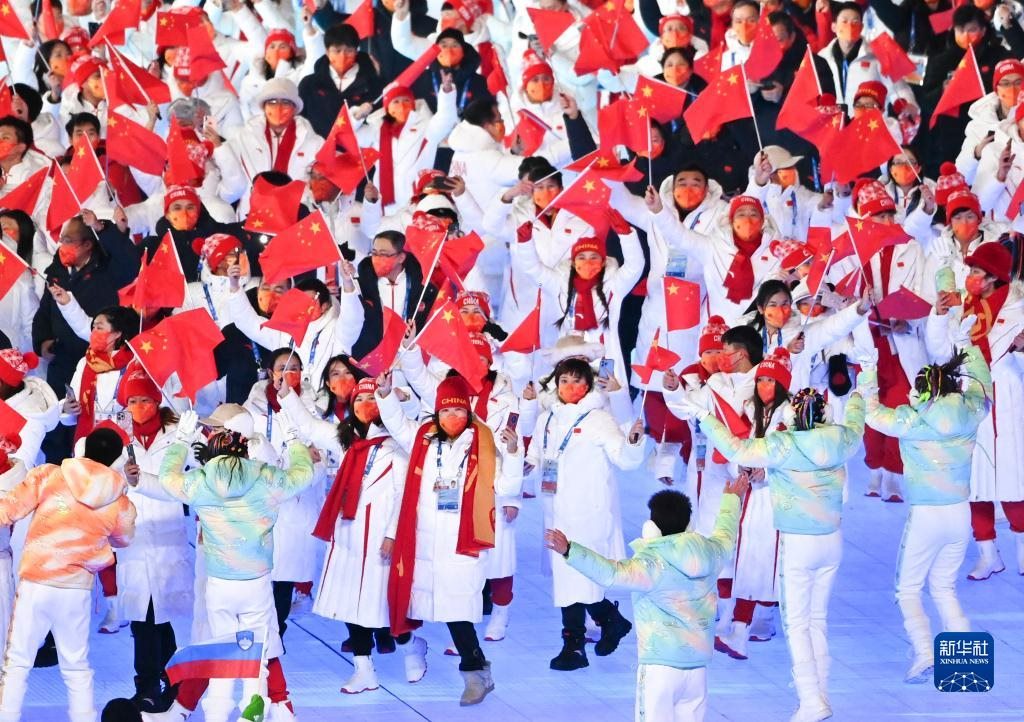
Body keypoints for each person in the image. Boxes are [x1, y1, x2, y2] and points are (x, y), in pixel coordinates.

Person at [679, 388, 865, 722]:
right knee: (817, 620)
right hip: (831, 541)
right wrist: (858, 395)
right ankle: (820, 693)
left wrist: (704, 416)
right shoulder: (841, 438)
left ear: (792, 416)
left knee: (798, 624)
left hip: (798, 543)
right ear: (824, 414)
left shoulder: (783, 444)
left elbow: (736, 448)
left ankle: (811, 700)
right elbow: (856, 422)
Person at [544, 477, 747, 722]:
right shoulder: (711, 553)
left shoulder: (651, 563)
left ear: (652, 528)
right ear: (689, 524)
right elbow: (725, 535)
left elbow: (610, 573)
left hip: (659, 669)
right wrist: (732, 499)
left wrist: (570, 550)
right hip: (697, 670)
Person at [158, 409, 315, 722]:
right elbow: (303, 475)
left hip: (220, 583)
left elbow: (166, 478)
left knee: (223, 651)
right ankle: (253, 709)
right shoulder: (265, 477)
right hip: (256, 582)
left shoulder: (201, 480)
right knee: (256, 653)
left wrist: (181, 441)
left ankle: (217, 714)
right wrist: (295, 441)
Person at [859, 316, 991, 683]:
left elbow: (871, 412)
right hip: (959, 514)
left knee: (908, 589)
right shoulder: (970, 411)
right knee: (944, 586)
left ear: (922, 391)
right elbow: (985, 388)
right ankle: (964, 668)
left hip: (926, 517)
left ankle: (924, 654)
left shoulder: (911, 420)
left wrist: (868, 369)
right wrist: (968, 345)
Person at [376, 374, 519, 706]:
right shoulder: (424, 437)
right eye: (445, 411)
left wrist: (512, 453)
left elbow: (506, 486)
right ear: (437, 413)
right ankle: (416, 650)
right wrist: (384, 394)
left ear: (468, 412)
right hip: (424, 541)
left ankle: (475, 674)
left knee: (458, 611)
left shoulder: (484, 442)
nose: (452, 417)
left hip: (461, 543)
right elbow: (397, 423)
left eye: (458, 411)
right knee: (405, 601)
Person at [0, 427, 136, 722]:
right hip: (76, 589)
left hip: (37, 581)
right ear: (116, 459)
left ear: (83, 448)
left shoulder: (49, 475)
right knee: (76, 667)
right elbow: (124, 538)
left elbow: (7, 510)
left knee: (18, 662)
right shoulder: (119, 499)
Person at [526, 357, 647, 671]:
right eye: (564, 380)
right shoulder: (547, 419)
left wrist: (634, 441)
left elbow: (625, 459)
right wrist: (522, 462)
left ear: (588, 385)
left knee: (580, 575)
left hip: (588, 512)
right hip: (556, 510)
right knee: (569, 578)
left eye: (577, 381)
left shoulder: (598, 419)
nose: (570, 387)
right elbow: (536, 455)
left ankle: (576, 644)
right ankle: (607, 622)